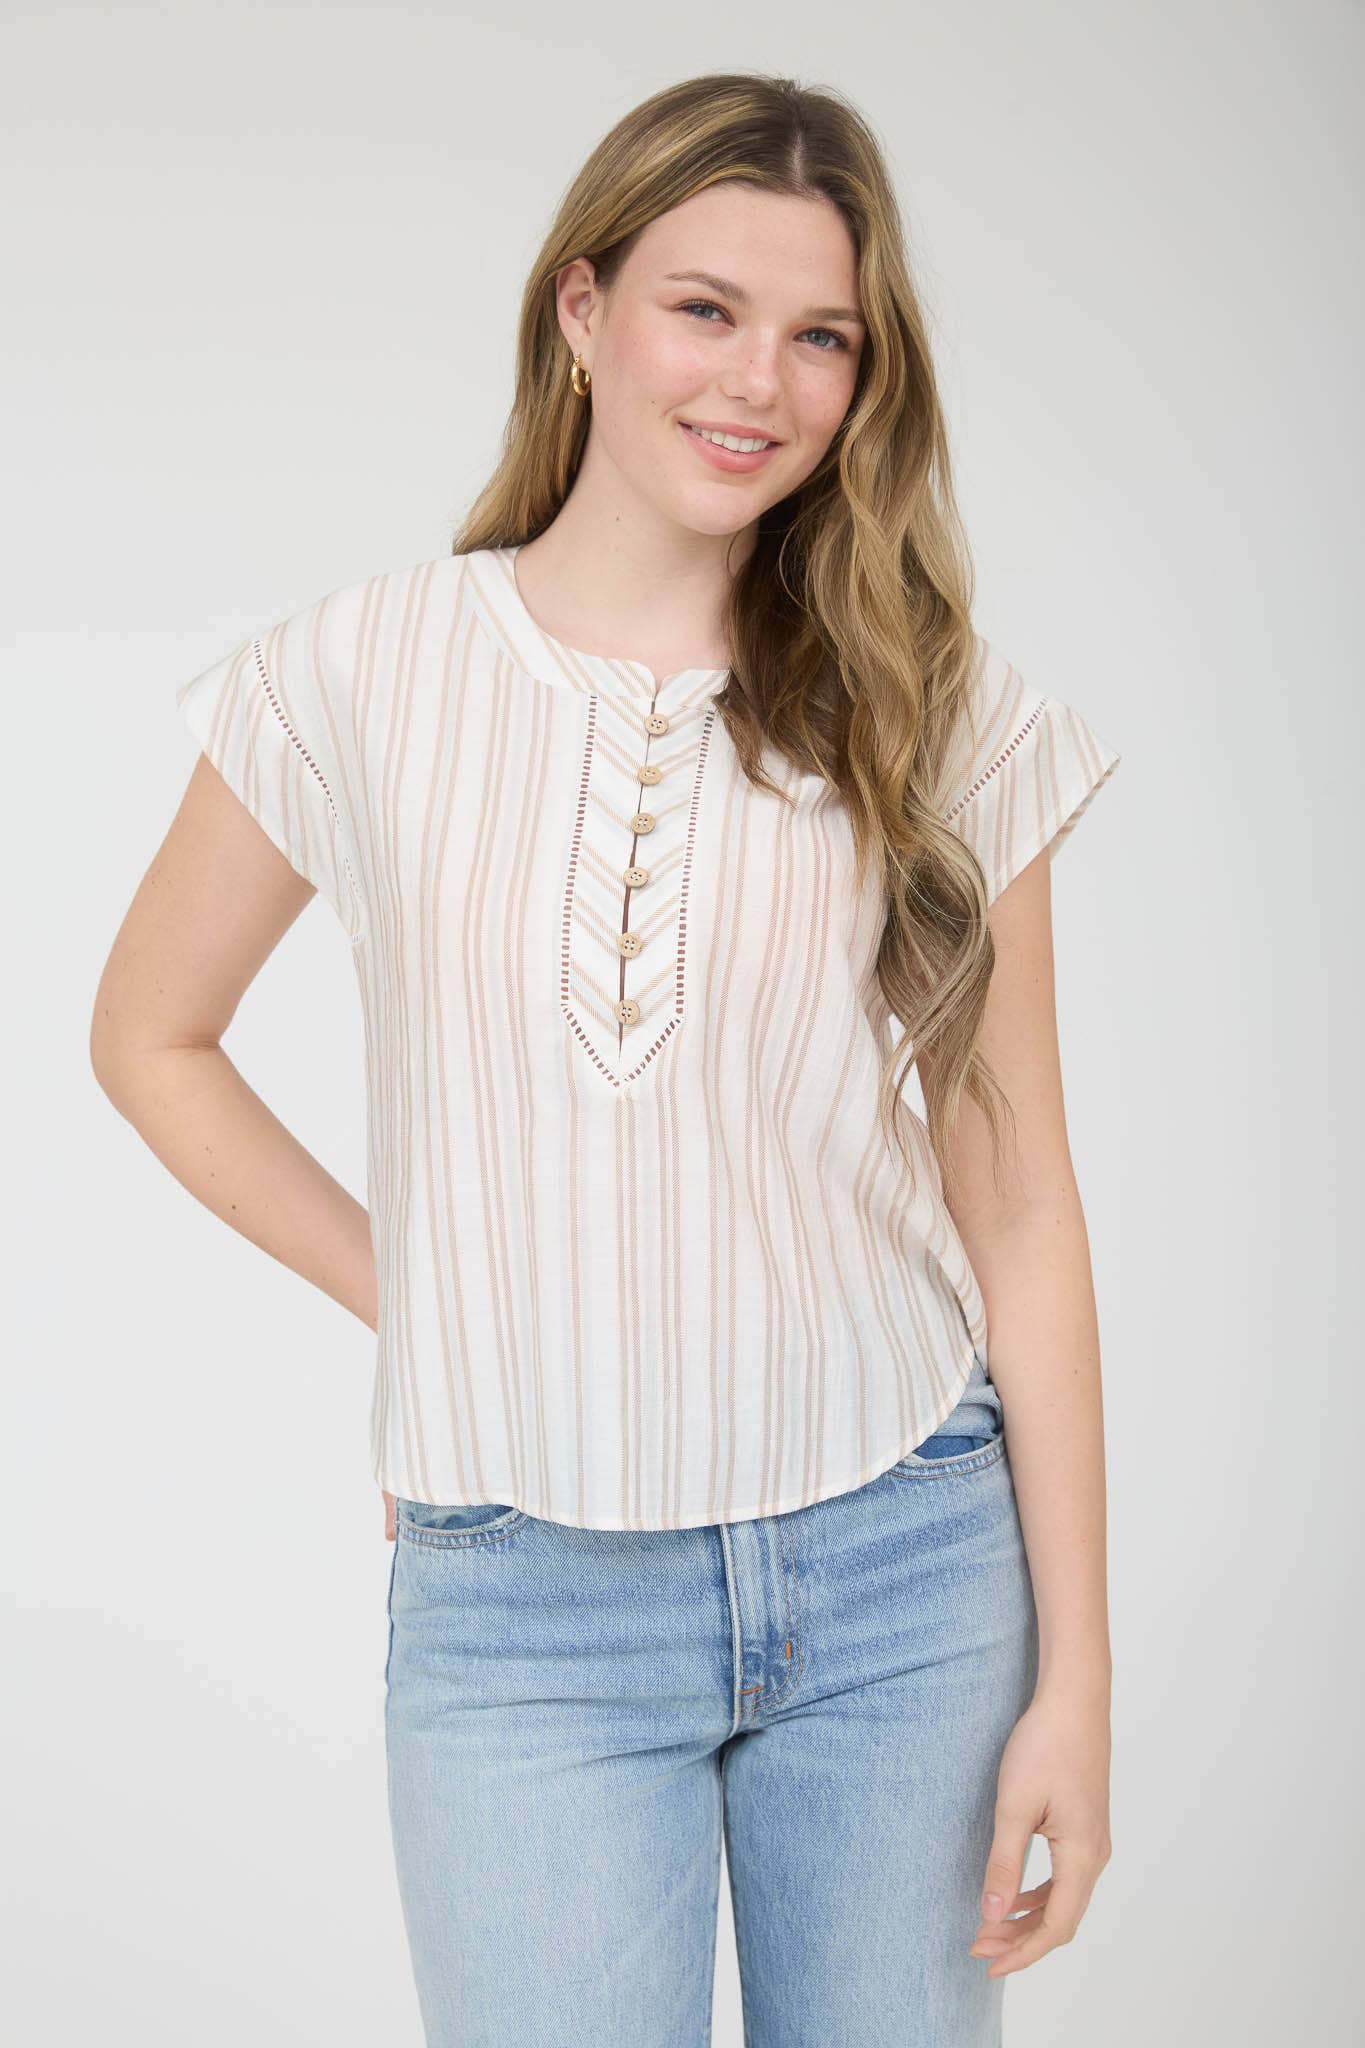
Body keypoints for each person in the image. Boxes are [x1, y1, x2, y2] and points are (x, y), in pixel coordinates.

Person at [91, 70, 1120, 2048]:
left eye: (820, 337)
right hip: (521, 1609)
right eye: (702, 309)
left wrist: (1075, 1679)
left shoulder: (929, 706)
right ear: (581, 310)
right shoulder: (358, 673)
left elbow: (1018, 1203)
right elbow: (151, 1035)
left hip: (904, 1573)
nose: (759, 383)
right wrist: (418, 1300)